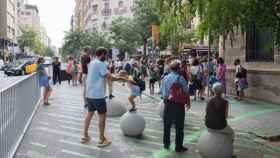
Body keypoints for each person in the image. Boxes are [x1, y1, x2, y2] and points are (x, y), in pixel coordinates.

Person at [81, 48, 115, 147]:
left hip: (89, 94)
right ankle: (101, 139)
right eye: (106, 54)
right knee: (102, 116)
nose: (107, 56)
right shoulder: (101, 64)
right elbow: (109, 77)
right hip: (98, 95)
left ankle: (85, 136)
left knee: (89, 114)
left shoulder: (92, 63)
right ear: (102, 54)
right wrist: (122, 78)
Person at [160, 61, 191, 153]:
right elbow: (186, 91)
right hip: (178, 104)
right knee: (179, 126)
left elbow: (162, 92)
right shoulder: (180, 78)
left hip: (168, 103)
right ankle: (178, 146)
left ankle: (166, 144)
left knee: (167, 125)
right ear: (178, 69)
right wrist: (188, 102)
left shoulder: (164, 78)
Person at [205, 83, 235, 157]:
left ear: (213, 91)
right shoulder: (225, 102)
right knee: (232, 133)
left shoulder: (208, 100)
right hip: (221, 126)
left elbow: (206, 112)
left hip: (208, 125)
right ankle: (229, 152)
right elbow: (225, 116)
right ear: (221, 92)